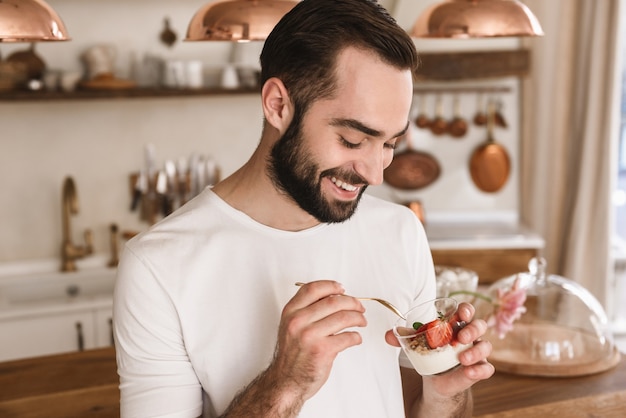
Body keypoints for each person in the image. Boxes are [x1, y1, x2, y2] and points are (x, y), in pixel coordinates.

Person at [113, 0, 494, 417]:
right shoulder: (158, 266)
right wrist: (285, 384)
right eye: (352, 140)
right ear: (278, 105)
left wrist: (445, 394)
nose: (375, 173)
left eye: (389, 144)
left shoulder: (400, 231)